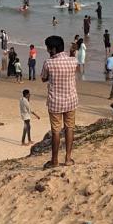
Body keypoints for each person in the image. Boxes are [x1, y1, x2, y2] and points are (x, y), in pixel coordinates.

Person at [39, 35, 78, 168]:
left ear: (53, 49)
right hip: (71, 100)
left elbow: (43, 78)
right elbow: (74, 67)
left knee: (56, 131)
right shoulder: (73, 61)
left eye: (48, 49)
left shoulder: (48, 63)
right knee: (69, 128)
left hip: (55, 101)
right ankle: (68, 158)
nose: (47, 51)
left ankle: (54, 160)